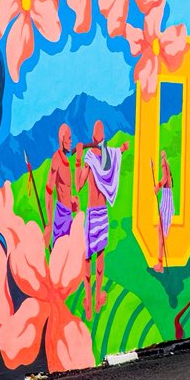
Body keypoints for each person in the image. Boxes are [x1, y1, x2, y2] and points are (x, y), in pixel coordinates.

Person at [77, 121, 121, 318]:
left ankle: (90, 303)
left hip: (94, 213)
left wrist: (79, 159)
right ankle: (93, 303)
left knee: (88, 257)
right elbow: (115, 155)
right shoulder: (106, 158)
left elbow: (78, 184)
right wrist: (121, 149)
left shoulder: (94, 157)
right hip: (101, 213)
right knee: (96, 256)